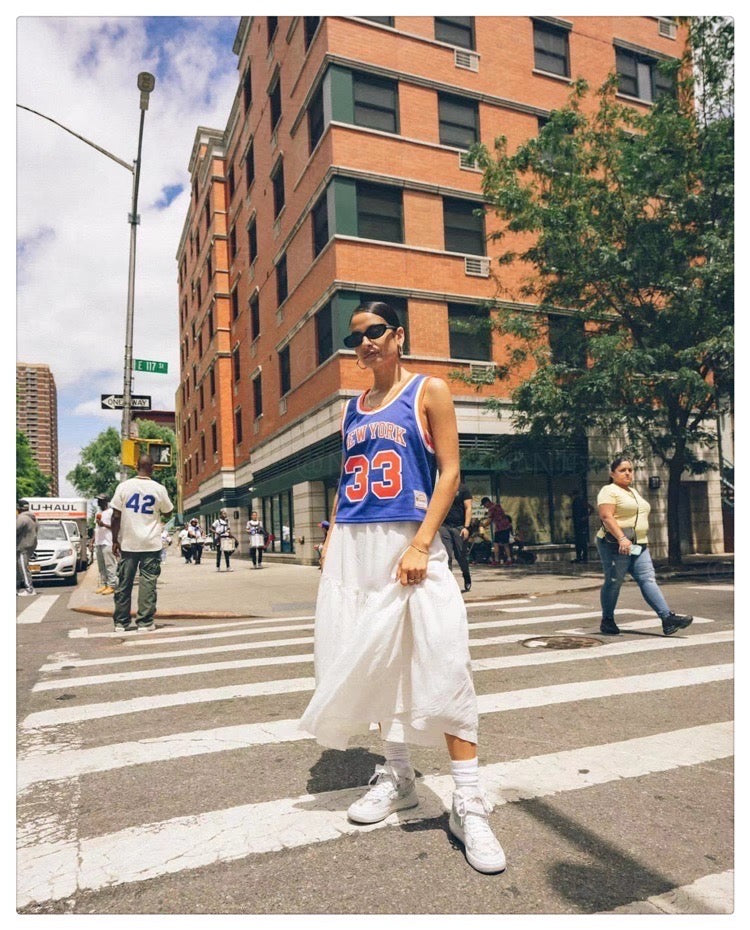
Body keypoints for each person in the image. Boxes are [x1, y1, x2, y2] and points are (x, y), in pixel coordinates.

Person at [299, 301, 505, 875]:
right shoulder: (351, 410)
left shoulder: (428, 391)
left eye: (374, 332)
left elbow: (450, 473)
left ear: (398, 336)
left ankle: (469, 800)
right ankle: (397, 775)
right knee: (374, 664)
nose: (364, 342)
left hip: (409, 541)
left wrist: (420, 543)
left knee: (444, 661)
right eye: (355, 336)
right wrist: (331, 540)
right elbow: (344, 481)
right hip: (355, 545)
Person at [596, 455, 693, 637]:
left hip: (638, 545)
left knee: (648, 579)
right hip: (615, 545)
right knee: (614, 581)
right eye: (622, 470)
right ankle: (607, 620)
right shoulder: (608, 490)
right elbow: (606, 517)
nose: (627, 473)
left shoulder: (633, 492)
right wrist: (622, 538)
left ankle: (667, 619)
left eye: (630, 470)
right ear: (612, 473)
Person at [110, 454, 173, 632]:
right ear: (152, 467)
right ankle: (144, 622)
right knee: (148, 583)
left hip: (128, 543)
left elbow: (115, 515)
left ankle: (121, 622)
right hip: (151, 544)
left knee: (124, 583)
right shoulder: (159, 489)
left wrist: (115, 540)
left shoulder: (124, 487)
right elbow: (169, 512)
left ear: (136, 466)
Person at [439, 479, 473, 592]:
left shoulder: (463, 489)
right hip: (444, 526)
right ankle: (448, 584)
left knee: (461, 556)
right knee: (446, 555)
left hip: (459, 527)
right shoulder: (441, 487)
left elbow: (468, 508)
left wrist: (466, 527)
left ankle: (466, 576)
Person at [93, 494, 117, 594]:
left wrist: (104, 525)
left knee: (109, 565)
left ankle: (112, 585)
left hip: (108, 541)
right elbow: (97, 528)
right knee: (101, 566)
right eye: (98, 500)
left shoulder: (111, 512)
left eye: (100, 500)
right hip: (99, 542)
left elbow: (115, 527)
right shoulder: (98, 513)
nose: (98, 502)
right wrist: (93, 540)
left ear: (106, 501)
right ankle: (104, 584)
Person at [481, 496, 512, 565]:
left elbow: (489, 520)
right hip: (506, 526)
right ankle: (509, 559)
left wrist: (483, 525)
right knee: (505, 544)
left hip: (500, 528)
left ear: (487, 502)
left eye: (484, 505)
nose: (485, 507)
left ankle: (497, 560)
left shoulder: (491, 508)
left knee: (496, 544)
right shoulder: (497, 505)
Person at [16, 499, 38, 597]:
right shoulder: (33, 518)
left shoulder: (22, 519)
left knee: (23, 567)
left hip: (22, 546)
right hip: (29, 544)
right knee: (19, 567)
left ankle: (29, 589)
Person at [571, 492, 593, 563]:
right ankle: (579, 557)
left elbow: (592, 509)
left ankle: (585, 558)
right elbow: (576, 514)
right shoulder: (574, 503)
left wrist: (585, 517)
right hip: (577, 525)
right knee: (578, 542)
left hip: (582, 525)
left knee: (583, 542)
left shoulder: (581, 501)